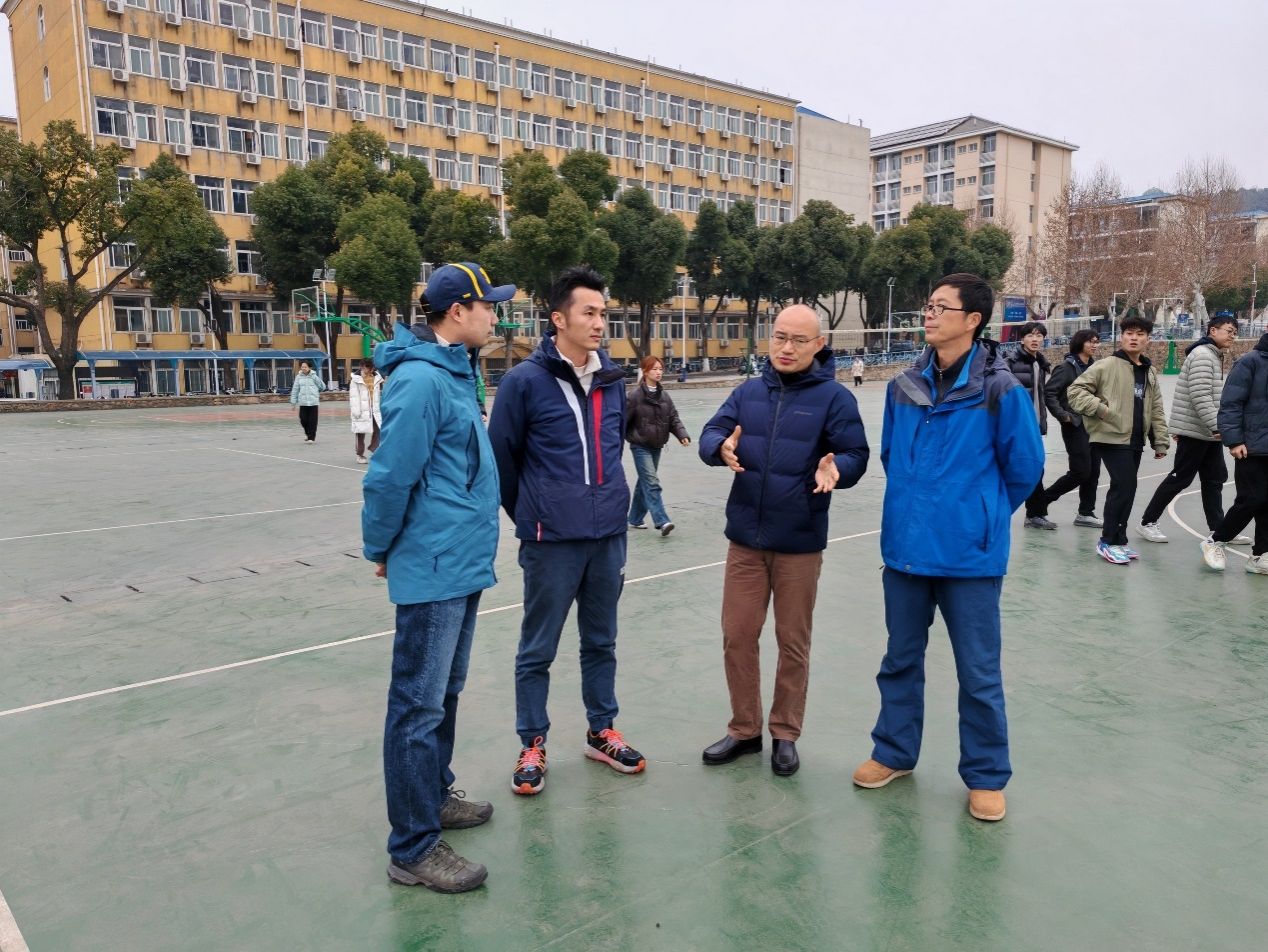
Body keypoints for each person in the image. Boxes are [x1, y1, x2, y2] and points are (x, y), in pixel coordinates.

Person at [852, 273, 1044, 823]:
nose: (929, 315)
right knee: (899, 660)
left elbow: (1025, 468)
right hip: (906, 551)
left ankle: (985, 775)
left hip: (970, 558)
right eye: (928, 305)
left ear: (973, 320)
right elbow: (892, 456)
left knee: (978, 672)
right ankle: (893, 752)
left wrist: (979, 514)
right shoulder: (903, 386)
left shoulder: (1000, 390)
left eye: (941, 307)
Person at [361, 262, 515, 894]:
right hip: (432, 563)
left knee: (444, 692)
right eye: (489, 306)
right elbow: (390, 474)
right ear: (458, 312)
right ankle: (413, 846)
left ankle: (434, 795)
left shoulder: (455, 371)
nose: (495, 316)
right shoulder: (422, 380)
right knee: (417, 706)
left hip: (460, 560)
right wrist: (380, 546)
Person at [488, 265, 644, 797]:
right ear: (558, 319)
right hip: (550, 541)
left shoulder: (612, 380)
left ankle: (602, 731)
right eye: (589, 313)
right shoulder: (523, 383)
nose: (600, 323)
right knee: (538, 648)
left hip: (608, 536)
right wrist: (534, 515)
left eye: (604, 313)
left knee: (602, 641)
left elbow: (612, 449)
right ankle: (532, 742)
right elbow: (502, 462)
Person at [699, 305, 869, 776]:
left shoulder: (834, 399)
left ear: (819, 345)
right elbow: (712, 430)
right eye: (779, 337)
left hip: (799, 542)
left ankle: (785, 733)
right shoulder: (748, 392)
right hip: (745, 541)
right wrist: (719, 447)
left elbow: (856, 453)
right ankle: (744, 729)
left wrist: (838, 469)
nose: (786, 348)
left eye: (798, 340)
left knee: (792, 641)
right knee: (737, 635)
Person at [1067, 316, 1169, 565]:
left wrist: (1159, 440)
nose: (1134, 338)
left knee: (1128, 488)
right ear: (1121, 337)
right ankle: (1107, 541)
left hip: (1135, 438)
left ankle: (1119, 540)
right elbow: (1075, 392)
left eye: (1140, 334)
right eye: (1129, 333)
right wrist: (1103, 411)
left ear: (1148, 339)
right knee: (1123, 486)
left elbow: (1155, 408)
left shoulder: (1149, 371)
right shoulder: (1106, 365)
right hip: (1110, 436)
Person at [1139, 316, 1249, 544]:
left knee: (1214, 479)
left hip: (1207, 432)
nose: (1233, 336)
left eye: (1234, 332)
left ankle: (1219, 530)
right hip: (1197, 431)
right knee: (1180, 478)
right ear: (1213, 330)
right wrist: (1218, 426)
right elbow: (1201, 397)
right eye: (1229, 331)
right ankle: (1147, 522)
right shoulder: (1203, 356)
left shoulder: (1212, 355)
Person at [1201, 331, 1268, 574]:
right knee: (1251, 499)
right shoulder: (1250, 362)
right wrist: (1234, 440)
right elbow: (1230, 404)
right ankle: (1216, 540)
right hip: (1251, 446)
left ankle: (1260, 555)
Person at [1037, 330, 1104, 527]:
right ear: (1080, 343)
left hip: (1094, 426)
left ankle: (1085, 513)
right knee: (1080, 472)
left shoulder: (1094, 367)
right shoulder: (1066, 367)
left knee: (1093, 472)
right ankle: (1042, 501)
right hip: (1075, 426)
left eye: (1097, 342)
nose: (1094, 345)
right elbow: (1050, 393)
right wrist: (1064, 416)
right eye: (1091, 342)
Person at [626, 355, 691, 535]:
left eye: (660, 369)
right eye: (654, 369)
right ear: (645, 371)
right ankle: (662, 521)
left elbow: (673, 418)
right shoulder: (634, 396)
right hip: (640, 446)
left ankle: (635, 518)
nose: (658, 372)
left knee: (645, 482)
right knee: (652, 482)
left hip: (656, 446)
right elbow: (622, 421)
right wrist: (625, 439)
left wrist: (682, 435)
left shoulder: (664, 396)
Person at [1009, 322, 1055, 530]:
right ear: (1022, 339)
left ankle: (1035, 513)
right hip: (1017, 426)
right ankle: (1033, 513)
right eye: (1030, 335)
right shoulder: (1010, 363)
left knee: (1037, 468)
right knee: (1029, 469)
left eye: (1039, 336)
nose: (1035, 339)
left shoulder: (1041, 364)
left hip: (1034, 427)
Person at [349, 357, 383, 464]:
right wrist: (356, 412)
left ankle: (374, 449)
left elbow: (379, 395)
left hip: (375, 410)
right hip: (361, 411)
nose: (365, 369)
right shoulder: (356, 379)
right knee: (360, 433)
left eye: (367, 367)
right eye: (363, 367)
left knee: (378, 430)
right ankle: (360, 455)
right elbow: (354, 397)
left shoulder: (377, 378)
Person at [289, 360, 325, 442]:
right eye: (302, 367)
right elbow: (295, 390)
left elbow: (322, 386)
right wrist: (293, 403)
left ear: (309, 368)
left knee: (313, 421)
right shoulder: (298, 377)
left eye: (305, 367)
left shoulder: (314, 376)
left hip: (313, 403)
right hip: (303, 402)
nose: (303, 368)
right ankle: (308, 433)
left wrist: (315, 392)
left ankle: (311, 438)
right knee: (303, 420)